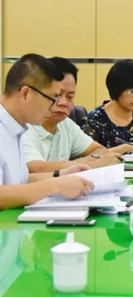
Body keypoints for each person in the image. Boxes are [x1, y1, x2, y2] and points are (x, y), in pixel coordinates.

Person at [23, 57, 133, 174]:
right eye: (57, 95)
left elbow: (99, 150)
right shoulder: (25, 126)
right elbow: (34, 168)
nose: (63, 103)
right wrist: (87, 163)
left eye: (70, 97)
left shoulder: (67, 125)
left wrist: (95, 159)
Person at [0, 54, 94, 209]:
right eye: (53, 98)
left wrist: (62, 175)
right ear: (25, 94)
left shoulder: (16, 129)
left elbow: (18, 182)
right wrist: (55, 186)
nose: (55, 105)